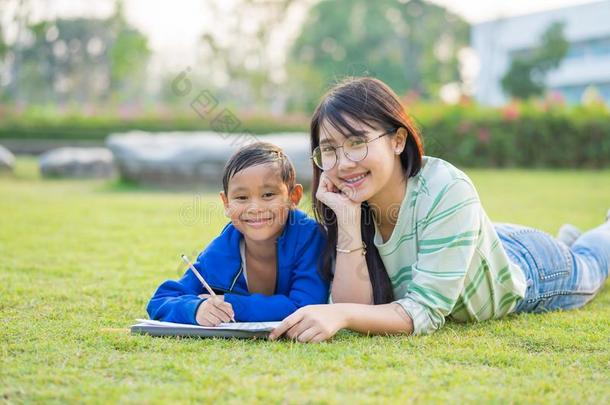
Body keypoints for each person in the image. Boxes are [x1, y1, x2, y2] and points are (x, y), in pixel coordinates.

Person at [268, 77, 609, 343]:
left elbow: (425, 311)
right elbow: (358, 305)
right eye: (329, 150)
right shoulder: (350, 203)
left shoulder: (446, 187)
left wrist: (340, 316)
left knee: (591, 263)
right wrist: (347, 220)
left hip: (528, 266)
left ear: (397, 140)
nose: (343, 164)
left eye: (357, 142)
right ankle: (568, 240)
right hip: (465, 243)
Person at [147, 142, 329, 325]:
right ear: (226, 203)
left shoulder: (310, 237)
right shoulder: (223, 249)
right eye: (241, 198)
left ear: (294, 196)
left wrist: (233, 305)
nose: (255, 208)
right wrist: (196, 309)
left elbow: (307, 306)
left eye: (268, 195)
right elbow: (161, 299)